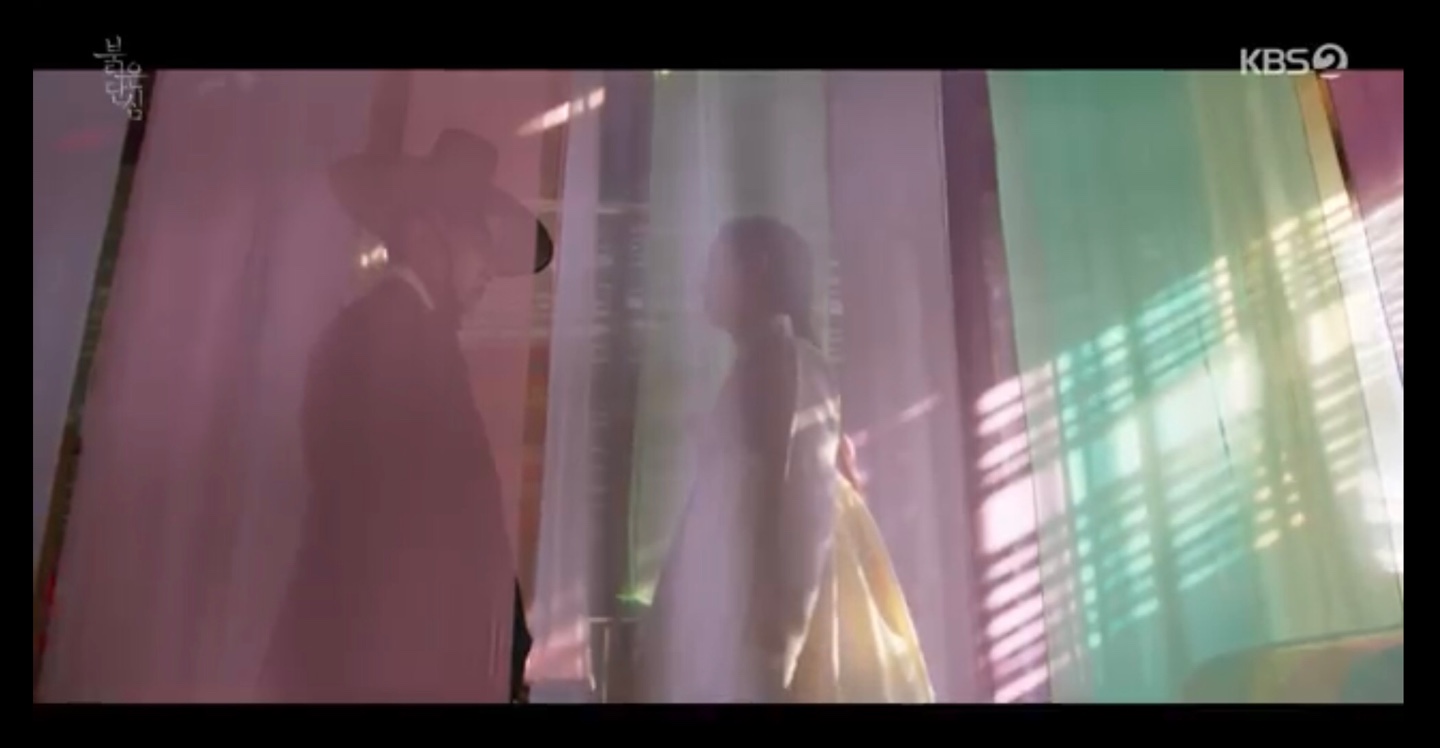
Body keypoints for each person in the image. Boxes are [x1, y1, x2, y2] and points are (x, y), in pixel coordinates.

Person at [263, 130, 550, 703]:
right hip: (378, 657)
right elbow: (391, 518)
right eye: (479, 241)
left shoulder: (418, 335)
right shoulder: (385, 334)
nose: (489, 270)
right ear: (424, 232)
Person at [637, 217, 934, 703]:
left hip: (789, 595)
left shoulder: (786, 361)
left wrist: (773, 646)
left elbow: (800, 502)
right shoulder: (764, 363)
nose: (702, 284)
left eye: (715, 266)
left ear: (756, 269)